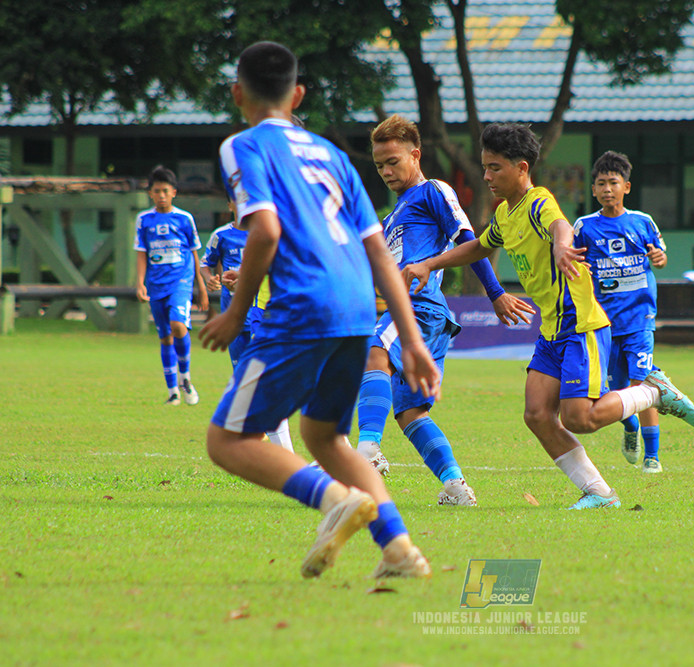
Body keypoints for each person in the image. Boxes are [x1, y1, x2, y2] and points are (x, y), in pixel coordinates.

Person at [198, 41, 438, 579]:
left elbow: (265, 230)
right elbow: (379, 252)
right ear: (298, 93)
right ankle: (399, 548)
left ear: (238, 94)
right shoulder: (333, 156)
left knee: (227, 439)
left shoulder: (243, 146)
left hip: (302, 305)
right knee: (323, 435)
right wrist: (412, 339)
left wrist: (236, 312)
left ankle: (332, 498)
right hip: (357, 306)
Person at [402, 123, 694, 510]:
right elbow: (478, 246)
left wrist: (563, 245)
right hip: (552, 328)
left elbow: (559, 224)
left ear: (521, 168)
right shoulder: (505, 215)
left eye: (495, 168)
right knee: (537, 413)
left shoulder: (539, 201)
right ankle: (600, 493)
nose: (487, 176)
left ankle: (654, 392)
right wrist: (431, 263)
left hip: (581, 324)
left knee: (580, 417)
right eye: (485, 168)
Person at [358, 114, 534, 506]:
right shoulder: (392, 218)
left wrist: (495, 293)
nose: (386, 171)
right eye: (379, 165)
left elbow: (470, 240)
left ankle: (367, 451)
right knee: (409, 412)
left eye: (393, 162)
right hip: (412, 312)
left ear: (415, 155)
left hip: (421, 309)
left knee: (374, 350)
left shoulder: (433, 191)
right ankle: (457, 487)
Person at [573, 151, 669, 474]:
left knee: (642, 385)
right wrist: (578, 266)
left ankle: (652, 456)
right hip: (603, 323)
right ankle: (629, 427)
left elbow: (661, 255)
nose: (607, 189)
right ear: (593, 189)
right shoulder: (584, 227)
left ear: (626, 187)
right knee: (615, 391)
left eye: (613, 182)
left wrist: (658, 257)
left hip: (640, 319)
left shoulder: (642, 222)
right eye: (601, 183)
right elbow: (570, 262)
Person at [200, 201, 294, 452]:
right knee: (247, 376)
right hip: (238, 314)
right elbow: (206, 265)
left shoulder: (269, 231)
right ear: (229, 204)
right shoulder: (222, 235)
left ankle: (281, 449)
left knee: (267, 378)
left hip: (268, 312)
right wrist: (214, 280)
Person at [134, 165, 209, 406]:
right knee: (165, 337)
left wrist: (201, 286)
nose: (162, 195)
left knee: (178, 326)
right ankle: (173, 392)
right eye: (157, 191)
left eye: (166, 191)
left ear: (174, 192)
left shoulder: (184, 218)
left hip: (181, 281)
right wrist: (140, 283)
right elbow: (142, 253)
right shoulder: (144, 220)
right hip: (156, 284)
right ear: (150, 193)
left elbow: (195, 253)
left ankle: (185, 378)